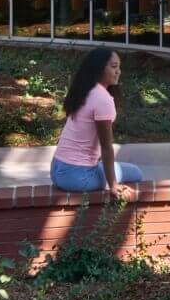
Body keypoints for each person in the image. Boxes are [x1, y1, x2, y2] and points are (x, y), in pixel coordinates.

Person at [50, 47, 144, 195]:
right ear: (98, 68)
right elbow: (106, 147)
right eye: (114, 67)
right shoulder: (102, 99)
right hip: (77, 176)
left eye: (119, 67)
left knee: (112, 167)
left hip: (56, 170)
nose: (118, 71)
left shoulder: (84, 91)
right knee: (135, 173)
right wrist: (113, 185)